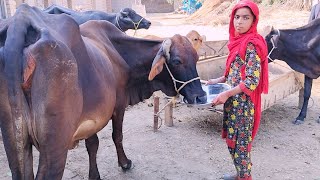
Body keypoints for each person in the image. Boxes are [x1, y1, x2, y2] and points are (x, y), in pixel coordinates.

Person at [206, 1, 268, 179]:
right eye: (236, 17)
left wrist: (226, 93)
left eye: (245, 18)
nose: (239, 22)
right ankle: (239, 173)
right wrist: (216, 81)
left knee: (241, 147)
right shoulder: (237, 42)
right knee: (232, 144)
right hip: (232, 104)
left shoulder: (252, 45)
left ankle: (244, 176)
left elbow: (251, 81)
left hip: (243, 107)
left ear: (254, 21)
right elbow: (234, 73)